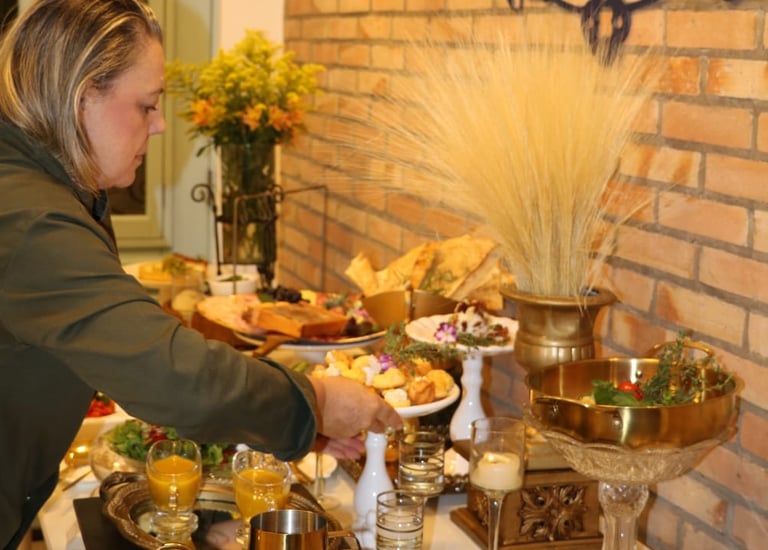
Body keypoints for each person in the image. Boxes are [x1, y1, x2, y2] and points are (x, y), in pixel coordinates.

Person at [0, 1, 402, 547]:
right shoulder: (32, 219)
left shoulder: (40, 186)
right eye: (147, 104)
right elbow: (168, 373)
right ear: (82, 96)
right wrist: (318, 403)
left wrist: (286, 422)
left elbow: (122, 345)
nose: (160, 124)